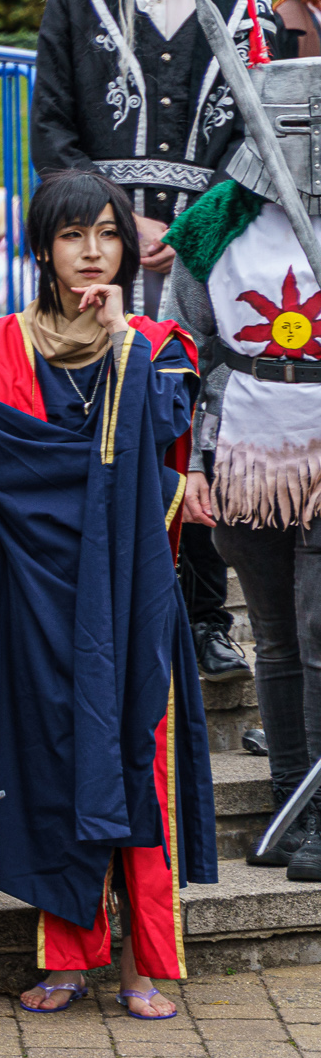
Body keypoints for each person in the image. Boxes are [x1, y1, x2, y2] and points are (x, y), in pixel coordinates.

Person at [0, 169, 215, 1020]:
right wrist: (106, 485)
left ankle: (143, 960)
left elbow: (162, 443)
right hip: (37, 594)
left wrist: (122, 342)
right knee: (51, 761)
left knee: (136, 759)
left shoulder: (160, 345)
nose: (93, 251)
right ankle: (66, 956)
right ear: (43, 247)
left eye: (108, 233)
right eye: (73, 234)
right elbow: (9, 479)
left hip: (134, 592)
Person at [34, 0, 266, 691]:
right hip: (102, 249)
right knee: (99, 413)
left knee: (197, 417)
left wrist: (193, 230)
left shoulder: (243, 3)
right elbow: (52, 129)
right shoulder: (77, 0)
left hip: (214, 248)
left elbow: (264, 135)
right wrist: (117, 227)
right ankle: (102, 608)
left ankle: (204, 618)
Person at [165, 74, 321, 877]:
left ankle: (319, 815)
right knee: (276, 635)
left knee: (318, 632)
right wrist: (192, 461)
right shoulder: (213, 224)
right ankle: (291, 803)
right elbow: (182, 349)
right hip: (246, 449)